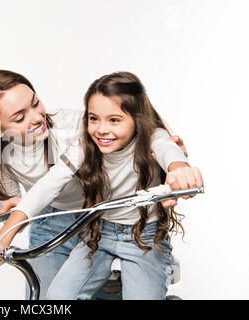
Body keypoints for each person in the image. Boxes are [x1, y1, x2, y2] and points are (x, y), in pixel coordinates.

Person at [0, 70, 188, 299]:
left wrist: (174, 161)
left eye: (35, 103)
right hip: (49, 221)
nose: (36, 117)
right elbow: (28, 197)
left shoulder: (73, 127)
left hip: (95, 216)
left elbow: (140, 128)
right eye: (19, 117)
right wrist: (4, 233)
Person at [44, 72, 203, 300]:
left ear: (137, 120)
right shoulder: (88, 144)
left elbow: (169, 150)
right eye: (94, 118)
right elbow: (50, 182)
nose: (101, 129)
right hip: (99, 233)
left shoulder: (153, 138)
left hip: (144, 237)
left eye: (115, 120)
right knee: (58, 298)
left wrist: (179, 168)